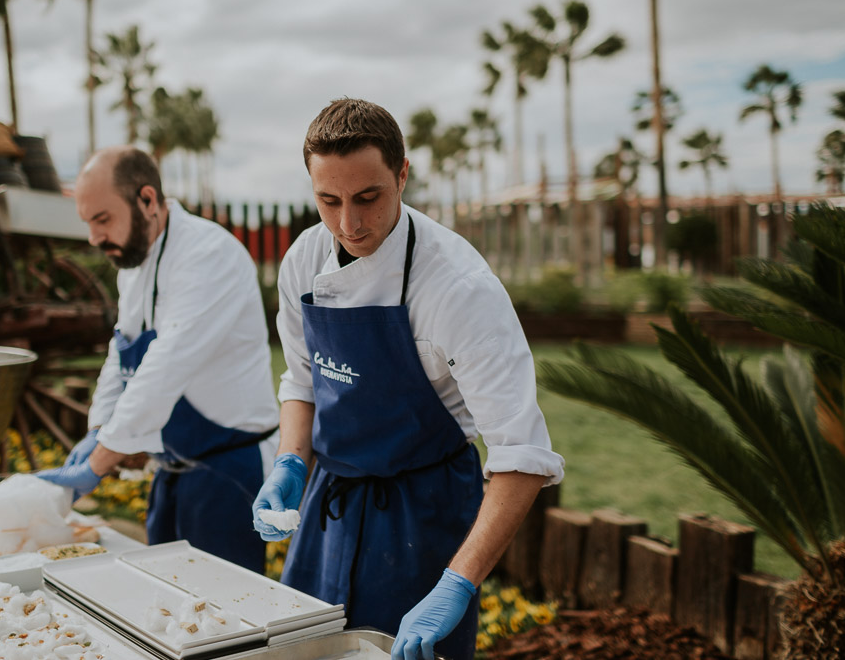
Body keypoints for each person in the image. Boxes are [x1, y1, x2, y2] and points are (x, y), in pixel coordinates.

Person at [251, 99, 565, 660]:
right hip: (331, 505)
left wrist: (457, 584)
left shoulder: (459, 288)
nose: (349, 224)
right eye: (329, 201)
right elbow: (301, 381)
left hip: (424, 515)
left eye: (368, 197)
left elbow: (522, 455)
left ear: (402, 175)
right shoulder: (302, 261)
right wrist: (290, 463)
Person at [37, 146, 279, 573]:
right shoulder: (132, 262)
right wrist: (98, 428)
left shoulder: (208, 256)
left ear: (147, 200)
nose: (93, 238)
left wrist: (98, 464)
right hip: (171, 467)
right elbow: (122, 353)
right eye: (88, 222)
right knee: (163, 602)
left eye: (103, 219)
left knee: (226, 620)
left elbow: (163, 370)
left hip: (227, 471)